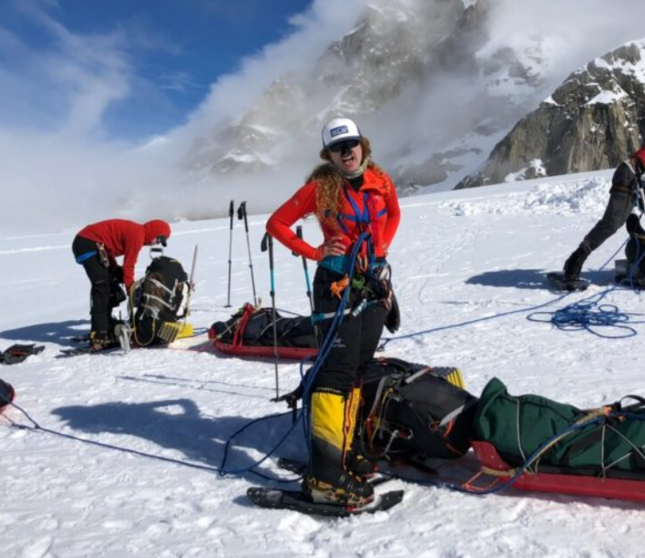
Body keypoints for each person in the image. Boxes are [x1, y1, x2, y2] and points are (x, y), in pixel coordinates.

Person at [266, 117, 401, 507]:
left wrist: (381, 250)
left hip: (372, 282)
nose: (347, 151)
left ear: (363, 145)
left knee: (359, 366)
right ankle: (325, 476)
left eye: (352, 143)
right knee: (337, 370)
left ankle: (349, 450)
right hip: (335, 287)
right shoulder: (319, 188)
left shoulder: (381, 180)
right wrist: (315, 252)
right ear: (329, 155)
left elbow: (393, 215)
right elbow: (277, 223)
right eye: (338, 148)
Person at [72, 219, 172, 350]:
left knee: (110, 283)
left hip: (90, 244)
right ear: (154, 233)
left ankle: (106, 328)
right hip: (86, 244)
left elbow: (107, 249)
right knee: (102, 288)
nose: (157, 243)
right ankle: (98, 338)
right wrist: (131, 290)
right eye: (159, 239)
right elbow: (129, 265)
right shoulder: (137, 235)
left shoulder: (137, 232)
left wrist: (115, 271)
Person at [562, 145, 645, 281]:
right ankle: (576, 260)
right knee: (611, 223)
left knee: (623, 220)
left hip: (634, 177)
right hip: (629, 174)